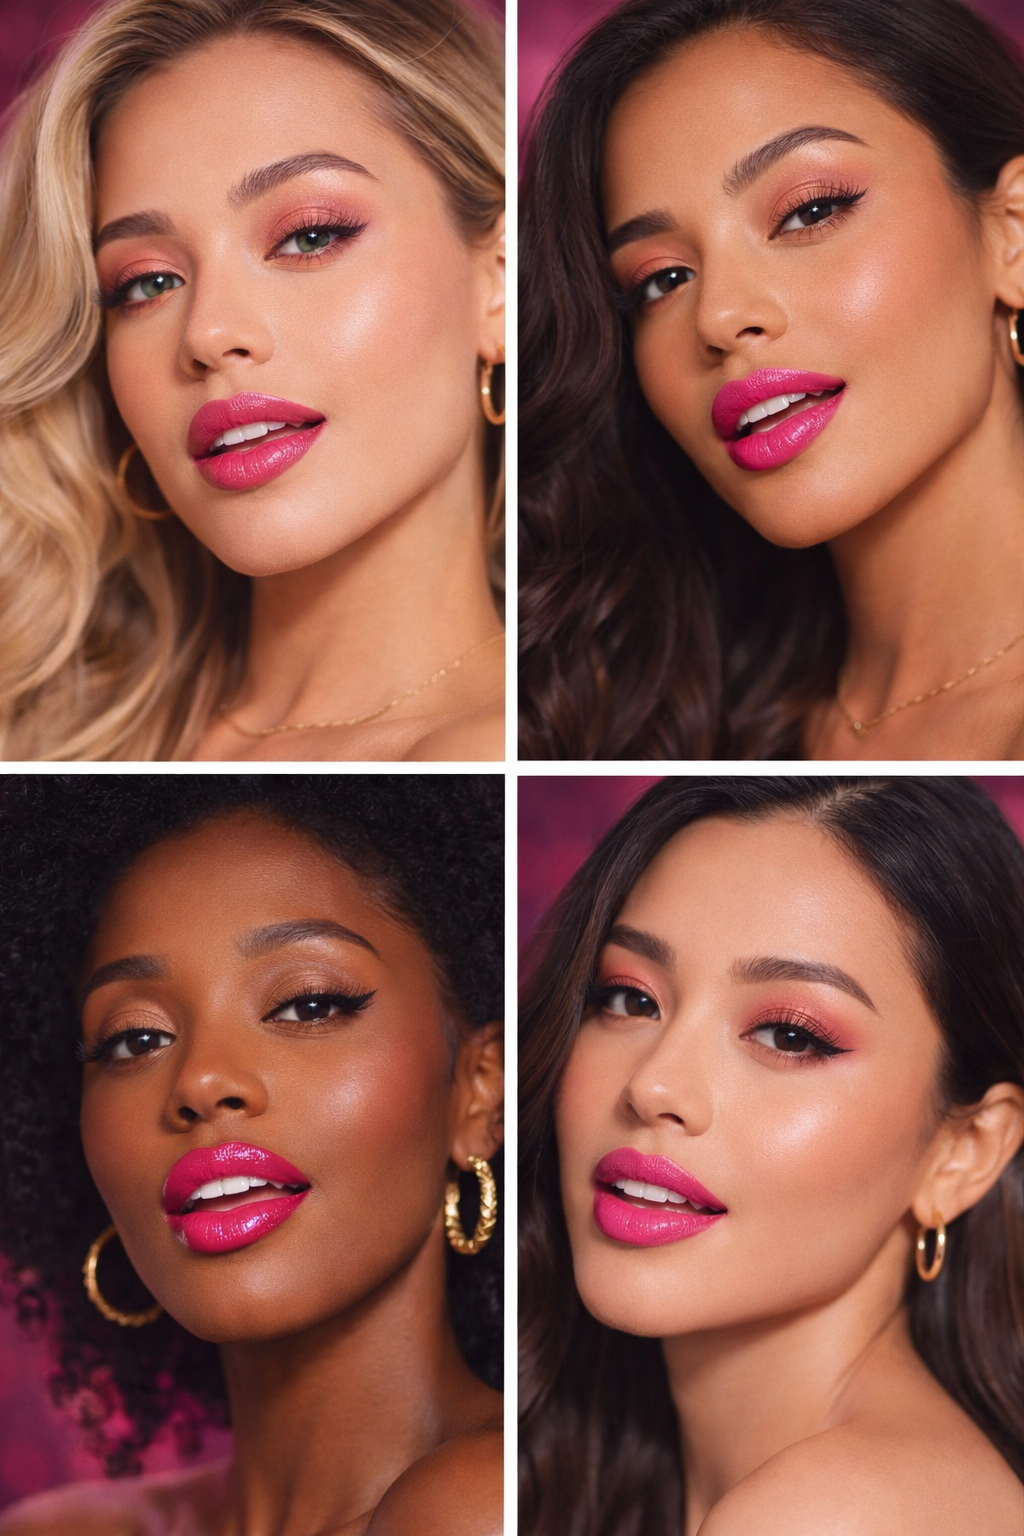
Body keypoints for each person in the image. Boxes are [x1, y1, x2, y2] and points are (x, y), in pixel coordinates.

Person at [0, 0, 505, 762]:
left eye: (309, 236)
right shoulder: (43, 745)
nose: (206, 332)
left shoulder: (509, 748)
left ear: (498, 282)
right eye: (146, 283)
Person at [519, 0, 1024, 760]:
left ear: (1012, 233)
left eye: (810, 211)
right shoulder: (661, 730)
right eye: (661, 280)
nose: (718, 316)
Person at [0, 775, 503, 1534]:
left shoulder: (492, 1502)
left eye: (307, 1003)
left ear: (476, 1092)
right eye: (135, 1039)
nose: (200, 1081)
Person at [520, 776, 1024, 1534]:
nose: (654, 1084)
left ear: (963, 1151)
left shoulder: (839, 1513)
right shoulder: (603, 1467)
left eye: (790, 1035)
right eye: (629, 998)